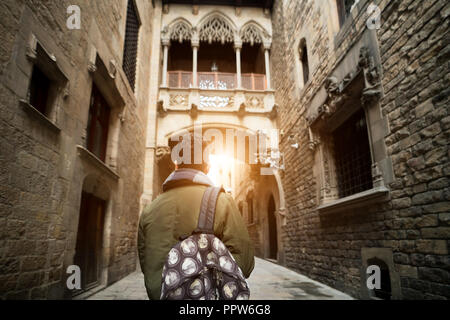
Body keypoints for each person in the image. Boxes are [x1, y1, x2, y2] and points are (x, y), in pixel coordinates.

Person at [138, 133, 255, 300]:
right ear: (207, 165)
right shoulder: (222, 201)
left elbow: (147, 264)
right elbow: (245, 263)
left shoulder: (150, 209)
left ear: (176, 163)